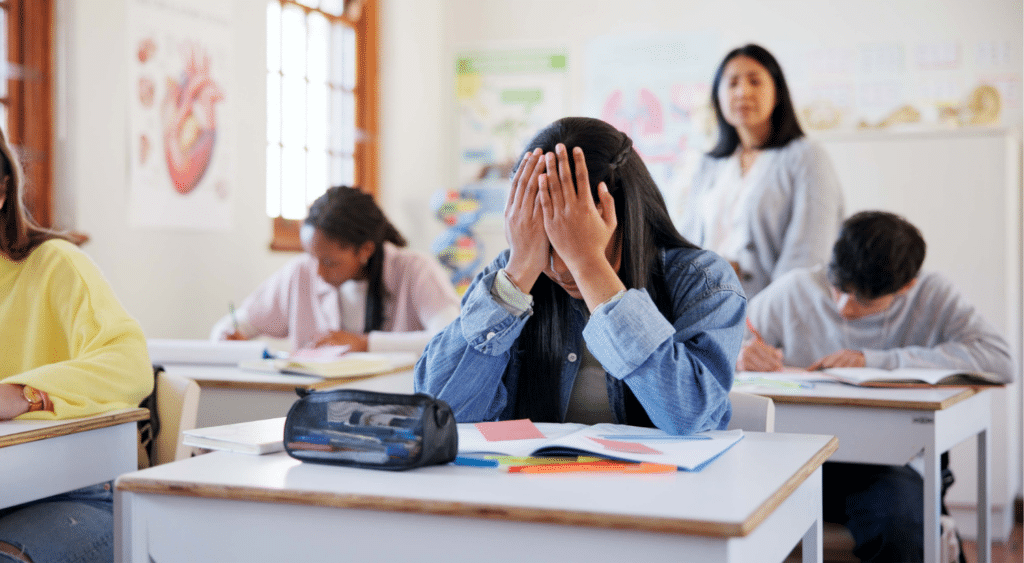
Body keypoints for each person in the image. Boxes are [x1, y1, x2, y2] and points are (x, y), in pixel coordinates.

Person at [415, 117, 746, 435]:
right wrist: (517, 277)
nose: (559, 268)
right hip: (530, 487)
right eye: (546, 243)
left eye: (572, 240)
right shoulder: (512, 272)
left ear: (625, 214)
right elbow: (441, 413)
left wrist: (590, 266)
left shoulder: (703, 279)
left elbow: (690, 416)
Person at [740, 210, 1013, 563]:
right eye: (838, 287)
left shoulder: (932, 295)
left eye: (864, 300)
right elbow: (725, 344)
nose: (843, 305)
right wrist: (741, 357)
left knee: (899, 527)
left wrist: (875, 360)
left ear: (906, 287)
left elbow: (999, 360)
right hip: (796, 457)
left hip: (887, 464)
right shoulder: (796, 288)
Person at [0, 126, 153, 563]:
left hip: (76, 494)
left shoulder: (56, 265)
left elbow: (130, 362)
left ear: (2, 191)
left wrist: (22, 395)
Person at [675, 43, 844, 298]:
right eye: (732, 83)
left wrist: (766, 316)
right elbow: (686, 241)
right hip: (703, 306)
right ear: (718, 97)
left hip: (772, 315)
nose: (742, 92)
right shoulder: (708, 164)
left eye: (755, 81)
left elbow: (810, 253)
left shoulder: (807, 158)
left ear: (777, 92)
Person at [211, 185, 460, 355]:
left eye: (329, 262)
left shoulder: (414, 270)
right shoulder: (301, 272)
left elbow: (451, 339)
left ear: (365, 250)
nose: (317, 272)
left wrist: (365, 344)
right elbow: (243, 321)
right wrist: (229, 334)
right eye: (311, 257)